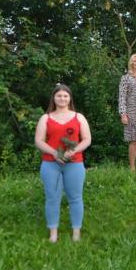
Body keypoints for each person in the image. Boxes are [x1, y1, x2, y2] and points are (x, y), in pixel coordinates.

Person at [34, 84, 92, 243]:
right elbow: (38, 140)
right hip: (50, 163)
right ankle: (53, 232)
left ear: (70, 98)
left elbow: (87, 139)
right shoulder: (45, 118)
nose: (62, 98)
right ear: (54, 98)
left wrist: (73, 151)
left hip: (74, 163)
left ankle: (76, 232)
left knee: (75, 197)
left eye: (65, 96)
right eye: (59, 96)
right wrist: (54, 153)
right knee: (52, 198)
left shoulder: (78, 117)